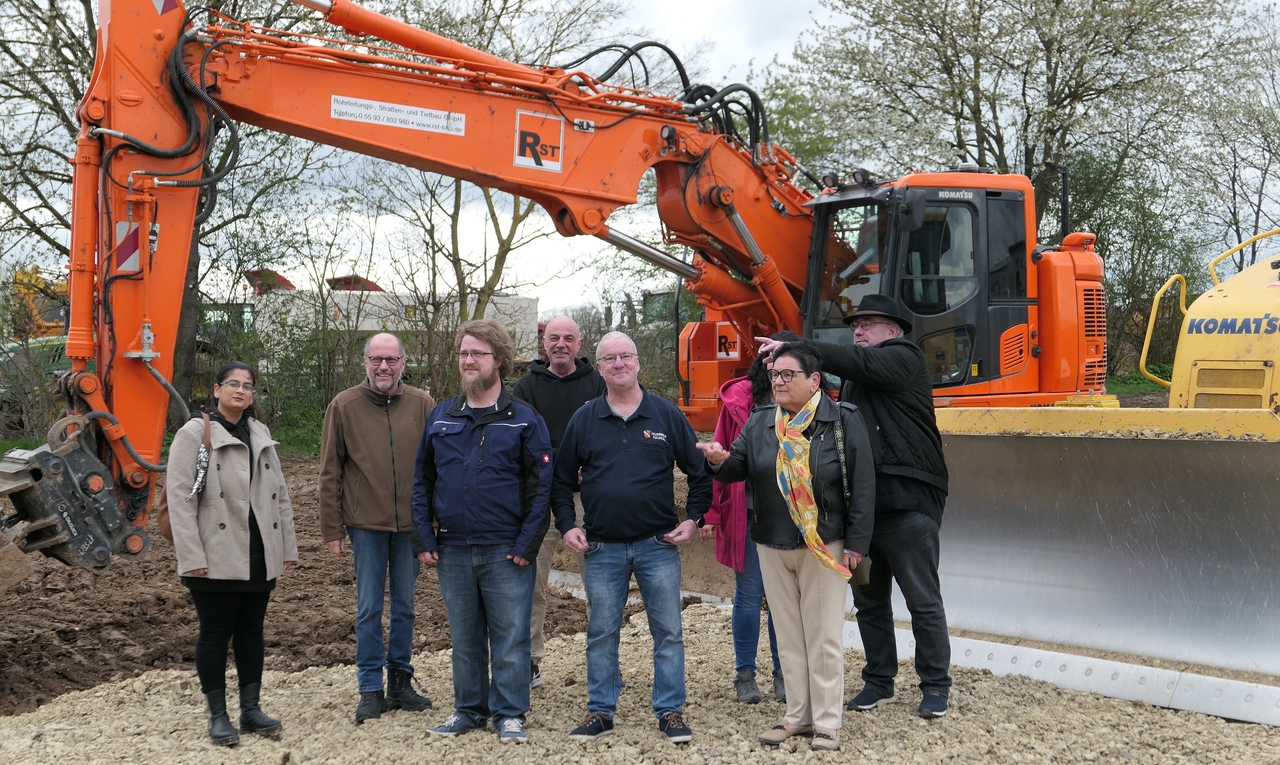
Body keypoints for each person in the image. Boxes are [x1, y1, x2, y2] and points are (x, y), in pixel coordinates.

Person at [756, 294, 953, 719]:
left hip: (907, 504)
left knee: (922, 599)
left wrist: (798, 346)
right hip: (862, 516)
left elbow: (859, 363)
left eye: (868, 323)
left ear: (893, 331)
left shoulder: (905, 357)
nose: (858, 330)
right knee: (869, 601)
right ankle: (879, 681)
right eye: (855, 324)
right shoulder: (854, 381)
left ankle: (936, 685)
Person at [699, 342, 874, 751]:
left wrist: (858, 545)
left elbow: (864, 488)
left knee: (824, 635)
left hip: (825, 545)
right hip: (772, 543)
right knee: (790, 636)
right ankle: (798, 716)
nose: (777, 381)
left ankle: (828, 720)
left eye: (787, 374)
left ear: (814, 380)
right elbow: (737, 467)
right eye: (775, 374)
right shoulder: (761, 422)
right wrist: (717, 460)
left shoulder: (843, 420)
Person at [552, 331, 712, 744]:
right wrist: (568, 524)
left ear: (638, 362)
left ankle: (671, 710)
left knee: (669, 631)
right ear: (600, 367)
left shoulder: (665, 415)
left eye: (626, 356)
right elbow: (561, 480)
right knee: (602, 632)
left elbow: (699, 472)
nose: (619, 364)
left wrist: (694, 518)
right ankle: (601, 710)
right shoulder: (585, 418)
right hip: (601, 547)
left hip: (658, 545)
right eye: (610, 358)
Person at [413, 319, 553, 744]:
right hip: (453, 549)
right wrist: (424, 536)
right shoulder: (442, 416)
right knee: (465, 637)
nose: (468, 360)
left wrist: (527, 544)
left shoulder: (524, 420)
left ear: (500, 361)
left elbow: (540, 488)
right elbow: (422, 481)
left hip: (506, 550)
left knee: (511, 638)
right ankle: (468, 710)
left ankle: (510, 713)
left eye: (477, 353)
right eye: (463, 353)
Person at [167, 361, 298, 747]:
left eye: (247, 386)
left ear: (253, 395)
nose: (240, 391)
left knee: (251, 632)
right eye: (232, 384)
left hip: (258, 550)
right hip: (214, 552)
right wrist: (191, 555)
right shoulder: (194, 434)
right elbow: (179, 499)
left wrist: (286, 546)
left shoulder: (261, 432)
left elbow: (280, 495)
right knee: (214, 633)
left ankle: (251, 709)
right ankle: (218, 715)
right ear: (216, 389)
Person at [319, 332, 436, 723]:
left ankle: (400, 683)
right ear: (365, 362)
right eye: (376, 359)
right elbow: (330, 470)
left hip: (412, 527)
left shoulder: (423, 404)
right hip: (365, 524)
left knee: (405, 607)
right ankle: (370, 688)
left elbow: (438, 467)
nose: (383, 366)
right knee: (369, 608)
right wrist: (332, 528)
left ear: (404, 362)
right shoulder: (344, 405)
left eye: (391, 359)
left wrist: (435, 521)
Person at [699, 331, 801, 705]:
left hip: (789, 509)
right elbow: (719, 454)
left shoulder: (810, 400)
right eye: (768, 356)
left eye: (782, 356)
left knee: (782, 598)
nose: (773, 364)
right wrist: (710, 512)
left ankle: (783, 673)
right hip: (746, 510)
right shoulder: (740, 401)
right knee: (749, 594)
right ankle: (745, 675)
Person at [512, 315, 605, 690]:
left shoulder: (599, 384)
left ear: (579, 344)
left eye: (569, 338)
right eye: (554, 338)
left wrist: (590, 463)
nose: (561, 344)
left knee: (600, 585)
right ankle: (529, 662)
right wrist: (562, 463)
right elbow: (519, 441)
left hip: (589, 501)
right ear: (544, 343)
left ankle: (603, 662)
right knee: (529, 585)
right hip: (540, 501)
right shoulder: (526, 388)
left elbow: (613, 431)